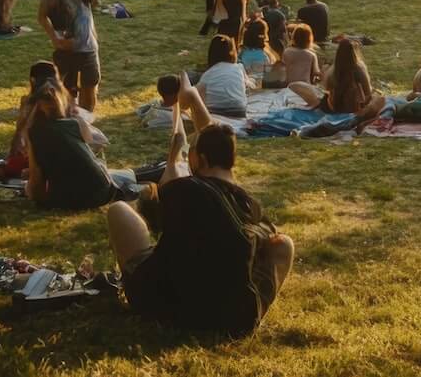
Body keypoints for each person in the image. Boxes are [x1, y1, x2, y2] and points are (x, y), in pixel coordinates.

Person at [105, 120, 294, 338]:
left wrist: (170, 167)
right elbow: (268, 238)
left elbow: (147, 207)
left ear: (200, 158)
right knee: (284, 243)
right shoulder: (251, 205)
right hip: (236, 319)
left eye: (190, 152)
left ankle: (136, 287)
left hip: (165, 307)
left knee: (119, 211)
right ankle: (256, 313)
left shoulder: (186, 188)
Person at [24, 79, 143, 211]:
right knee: (126, 176)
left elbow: (36, 180)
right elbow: (86, 154)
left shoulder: (34, 132)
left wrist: (32, 194)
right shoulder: (75, 124)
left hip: (74, 198)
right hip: (103, 189)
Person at [37, 0, 101, 111]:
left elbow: (96, 3)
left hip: (88, 45)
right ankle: (70, 115)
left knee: (90, 84)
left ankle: (87, 116)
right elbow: (41, 16)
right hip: (67, 49)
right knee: (66, 87)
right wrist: (54, 38)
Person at [199, 35, 254, 119]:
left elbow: (199, 96)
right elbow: (250, 85)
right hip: (239, 111)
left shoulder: (208, 74)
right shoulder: (238, 67)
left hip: (215, 111)